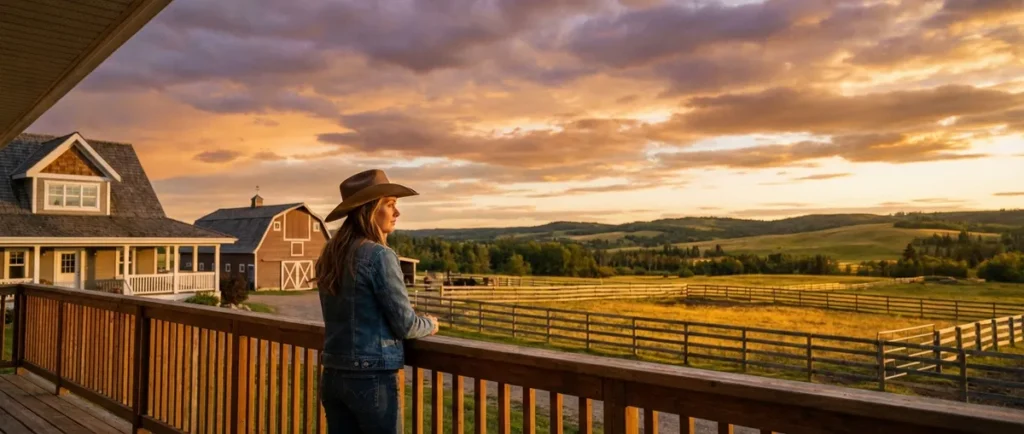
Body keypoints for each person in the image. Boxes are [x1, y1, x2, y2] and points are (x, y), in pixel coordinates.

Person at [316, 169, 439, 434]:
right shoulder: (379, 255)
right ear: (370, 209)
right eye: (390, 204)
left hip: (333, 373)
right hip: (370, 377)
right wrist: (430, 323)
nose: (397, 213)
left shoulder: (331, 254)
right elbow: (406, 325)